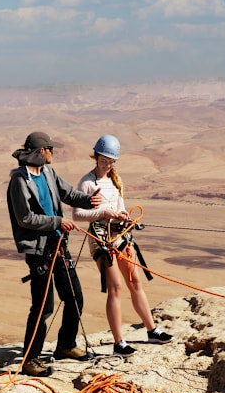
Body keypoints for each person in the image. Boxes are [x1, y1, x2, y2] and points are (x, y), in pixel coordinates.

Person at [7, 131, 102, 377]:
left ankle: (66, 345)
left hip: (59, 246)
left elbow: (68, 194)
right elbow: (25, 218)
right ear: (41, 152)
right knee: (43, 306)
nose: (53, 153)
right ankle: (30, 359)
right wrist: (57, 222)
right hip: (39, 252)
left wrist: (89, 201)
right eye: (51, 149)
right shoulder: (19, 180)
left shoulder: (48, 173)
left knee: (74, 296)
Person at [73, 135, 173, 356]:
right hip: (100, 239)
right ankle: (118, 342)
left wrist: (123, 215)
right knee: (115, 287)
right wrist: (103, 213)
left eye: (110, 161)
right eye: (103, 160)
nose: (107, 164)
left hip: (119, 236)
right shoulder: (87, 182)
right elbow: (78, 213)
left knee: (135, 281)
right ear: (96, 156)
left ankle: (152, 330)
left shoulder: (115, 181)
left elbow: (120, 207)